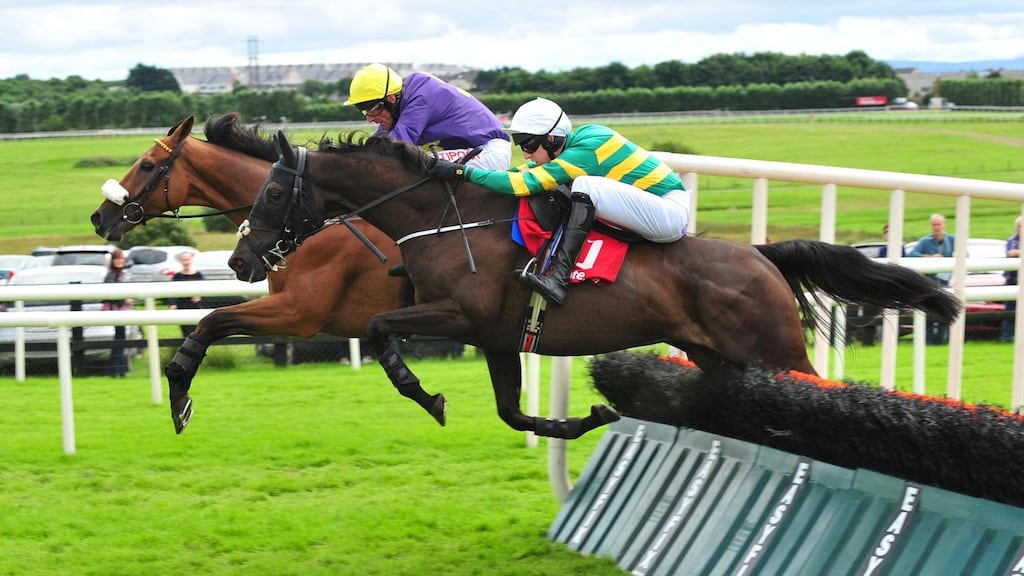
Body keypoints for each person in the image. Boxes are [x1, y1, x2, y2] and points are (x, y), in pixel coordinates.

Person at [429, 97, 690, 306]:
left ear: (552, 139)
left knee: (584, 186)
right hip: (647, 209)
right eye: (520, 144)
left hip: (668, 212)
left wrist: (465, 173)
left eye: (529, 144)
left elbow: (524, 184)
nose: (526, 152)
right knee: (563, 186)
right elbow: (516, 175)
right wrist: (458, 174)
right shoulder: (566, 150)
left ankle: (558, 278)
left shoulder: (588, 147)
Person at [345, 63, 511, 170]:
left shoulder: (420, 98)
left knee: (415, 166)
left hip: (489, 151)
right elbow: (378, 143)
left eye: (373, 110)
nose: (370, 118)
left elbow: (393, 147)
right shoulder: (400, 101)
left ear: (390, 99)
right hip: (473, 149)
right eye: (364, 112)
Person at [909, 213, 955, 344]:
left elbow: (965, 254)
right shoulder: (925, 241)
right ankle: (928, 341)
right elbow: (912, 255)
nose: (936, 227)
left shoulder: (952, 240)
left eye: (939, 224)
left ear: (944, 225)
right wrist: (930, 258)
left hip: (945, 281)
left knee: (945, 310)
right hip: (929, 282)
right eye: (934, 225)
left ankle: (942, 340)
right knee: (929, 311)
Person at [103, 248, 133, 377]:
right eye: (117, 259)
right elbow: (109, 294)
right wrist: (124, 299)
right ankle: (118, 369)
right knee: (119, 339)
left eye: (121, 259)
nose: (119, 261)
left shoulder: (125, 274)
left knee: (121, 339)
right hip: (116, 310)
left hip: (125, 310)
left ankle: (120, 369)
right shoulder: (111, 275)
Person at [168, 251, 203, 337]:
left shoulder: (199, 275)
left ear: (191, 260)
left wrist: (199, 296)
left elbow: (205, 291)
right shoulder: (177, 276)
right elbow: (171, 292)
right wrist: (172, 304)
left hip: (196, 306)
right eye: (183, 260)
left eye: (187, 260)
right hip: (182, 306)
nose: (186, 262)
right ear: (180, 261)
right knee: (185, 331)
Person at [1003, 216, 1021, 342]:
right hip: (1012, 281)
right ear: (1017, 228)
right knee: (1009, 311)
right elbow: (1012, 252)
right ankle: (1007, 337)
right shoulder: (1013, 239)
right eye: (1020, 226)